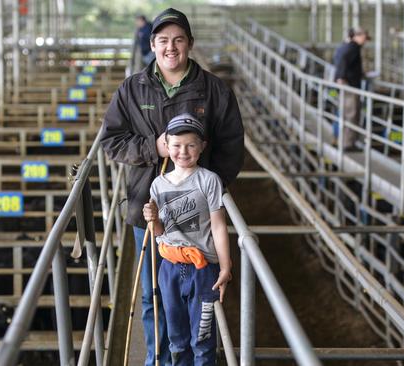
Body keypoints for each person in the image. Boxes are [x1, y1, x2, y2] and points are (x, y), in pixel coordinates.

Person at [100, 7, 244, 365]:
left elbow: (231, 146)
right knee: (153, 294)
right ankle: (158, 359)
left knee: (197, 295)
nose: (170, 47)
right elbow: (111, 140)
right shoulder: (132, 89)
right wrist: (154, 147)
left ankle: (193, 358)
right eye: (163, 40)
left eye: (178, 40)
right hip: (148, 212)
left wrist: (207, 192)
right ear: (152, 44)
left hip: (197, 223)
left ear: (190, 44)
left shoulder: (213, 90)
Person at [143, 113, 231, 365]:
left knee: (202, 338)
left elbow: (218, 225)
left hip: (202, 268)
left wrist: (225, 266)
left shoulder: (209, 180)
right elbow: (160, 232)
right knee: (177, 338)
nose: (183, 151)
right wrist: (152, 218)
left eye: (191, 145)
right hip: (169, 267)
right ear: (166, 146)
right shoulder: (158, 185)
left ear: (202, 147)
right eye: (177, 145)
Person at [334, 27, 370, 150]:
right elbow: (343, 60)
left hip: (347, 83)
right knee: (352, 114)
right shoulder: (353, 47)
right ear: (357, 36)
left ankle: (343, 141)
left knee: (346, 114)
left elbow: (342, 60)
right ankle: (348, 144)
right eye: (364, 38)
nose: (365, 41)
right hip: (350, 85)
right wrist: (341, 77)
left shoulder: (346, 45)